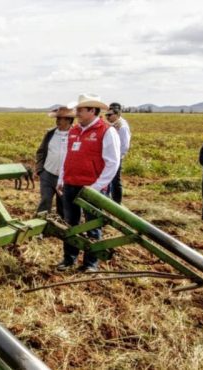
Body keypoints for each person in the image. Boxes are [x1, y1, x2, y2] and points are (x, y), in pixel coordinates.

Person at [56, 94, 121, 272]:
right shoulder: (74, 130)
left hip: (92, 188)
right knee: (71, 224)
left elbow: (112, 163)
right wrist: (62, 179)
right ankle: (69, 260)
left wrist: (96, 187)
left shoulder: (107, 131)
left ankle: (90, 264)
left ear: (92, 111)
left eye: (80, 110)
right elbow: (67, 158)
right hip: (70, 184)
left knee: (93, 225)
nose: (76, 113)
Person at [34, 106, 75, 218]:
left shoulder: (76, 134)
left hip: (66, 177)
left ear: (68, 120)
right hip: (47, 174)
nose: (57, 121)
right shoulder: (50, 133)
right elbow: (41, 152)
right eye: (57, 118)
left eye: (60, 118)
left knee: (63, 204)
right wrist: (40, 170)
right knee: (45, 201)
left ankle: (60, 227)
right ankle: (40, 226)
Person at [104, 102, 131, 204]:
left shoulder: (122, 127)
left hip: (116, 158)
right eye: (107, 115)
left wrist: (117, 157)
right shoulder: (114, 124)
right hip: (110, 157)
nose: (108, 117)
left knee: (115, 181)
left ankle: (117, 204)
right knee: (110, 180)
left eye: (110, 115)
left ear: (117, 114)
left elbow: (125, 145)